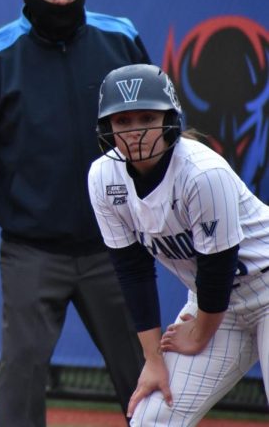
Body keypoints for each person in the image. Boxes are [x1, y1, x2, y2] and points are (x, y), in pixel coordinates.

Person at [0, 0, 149, 426]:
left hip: (115, 243)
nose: (61, 1)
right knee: (22, 379)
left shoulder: (122, 40)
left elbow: (160, 132)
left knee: (144, 375)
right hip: (31, 250)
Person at [89, 63, 269, 425]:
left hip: (259, 286)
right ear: (107, 128)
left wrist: (201, 332)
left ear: (170, 120)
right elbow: (133, 270)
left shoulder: (203, 173)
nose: (135, 131)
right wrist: (153, 359)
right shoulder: (103, 177)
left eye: (146, 117)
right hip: (215, 302)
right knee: (150, 419)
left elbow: (217, 269)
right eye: (122, 121)